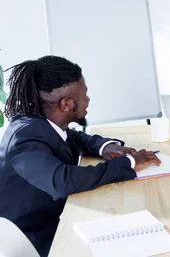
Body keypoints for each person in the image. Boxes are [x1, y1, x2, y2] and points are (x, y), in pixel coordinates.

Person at [0, 56, 161, 256]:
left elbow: (73, 137)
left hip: (53, 218)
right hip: (34, 238)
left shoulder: (40, 122)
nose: (88, 99)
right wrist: (129, 163)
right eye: (85, 93)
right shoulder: (24, 139)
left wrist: (106, 146)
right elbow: (63, 181)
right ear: (66, 104)